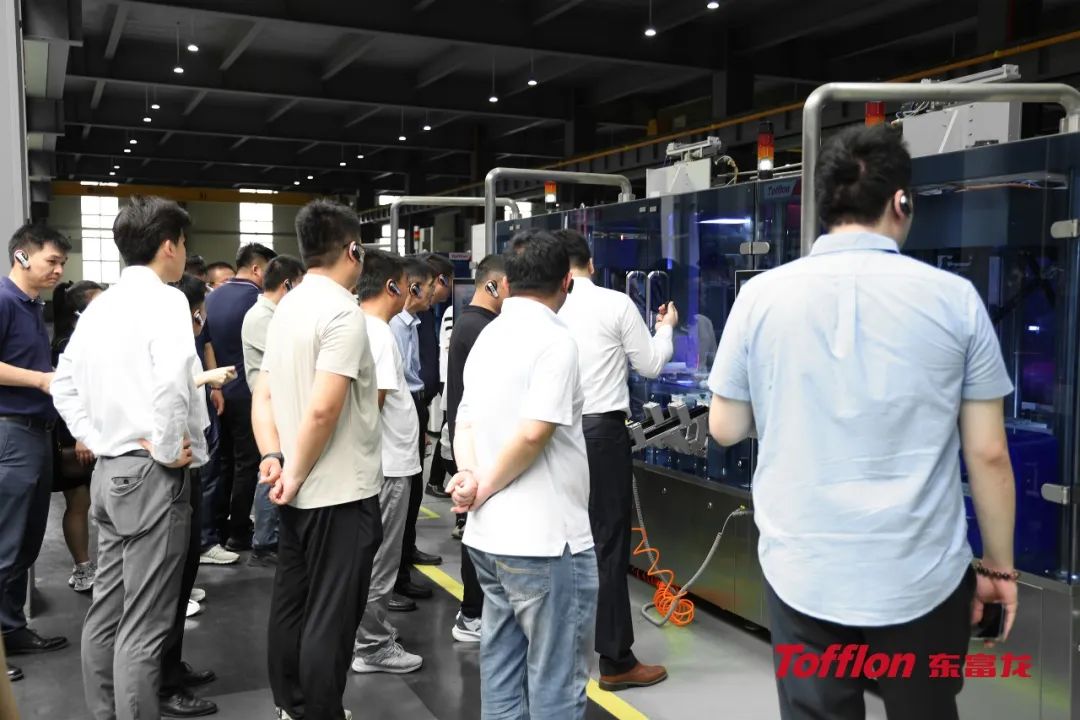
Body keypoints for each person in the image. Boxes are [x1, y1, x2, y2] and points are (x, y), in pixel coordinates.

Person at [707, 124, 1018, 720]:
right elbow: (988, 454)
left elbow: (724, 426)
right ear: (902, 201)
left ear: (824, 205)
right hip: (923, 574)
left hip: (804, 571)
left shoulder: (761, 296)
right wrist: (998, 567)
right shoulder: (955, 299)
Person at [52, 195, 209, 720]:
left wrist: (94, 435)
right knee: (145, 623)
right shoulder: (166, 301)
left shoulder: (101, 306)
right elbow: (172, 383)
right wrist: (166, 448)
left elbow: (62, 383)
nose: (183, 250)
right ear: (169, 245)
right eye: (183, 241)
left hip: (109, 472)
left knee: (107, 613)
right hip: (149, 477)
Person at [448, 231, 597, 719]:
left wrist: (470, 478)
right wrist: (483, 486)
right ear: (566, 282)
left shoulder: (488, 336)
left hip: (488, 540)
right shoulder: (556, 341)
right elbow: (535, 433)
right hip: (545, 542)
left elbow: (464, 421)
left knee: (502, 671)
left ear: (507, 283)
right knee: (557, 681)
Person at [252, 199, 382, 720]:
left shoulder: (287, 306)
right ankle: (322, 711)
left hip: (294, 487)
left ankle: (292, 705)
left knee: (293, 602)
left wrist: (274, 456)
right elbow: (325, 408)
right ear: (353, 250)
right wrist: (297, 471)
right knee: (332, 614)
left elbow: (264, 395)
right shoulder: (343, 312)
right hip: (339, 492)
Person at [556, 228, 675, 692]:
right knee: (607, 543)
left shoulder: (547, 309)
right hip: (602, 435)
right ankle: (616, 660)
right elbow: (651, 365)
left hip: (554, 432)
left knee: (562, 539)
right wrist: (665, 328)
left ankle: (556, 648)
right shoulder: (615, 304)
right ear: (590, 263)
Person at [156, 273, 233, 719]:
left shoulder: (182, 335)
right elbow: (161, 395)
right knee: (167, 584)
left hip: (190, 462)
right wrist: (165, 449)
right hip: (169, 469)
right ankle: (163, 684)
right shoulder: (159, 332)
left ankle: (172, 667)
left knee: (184, 573)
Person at [0, 224, 71, 680]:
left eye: (62, 263)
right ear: (22, 257)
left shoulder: (31, 306)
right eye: (51, 261)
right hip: (11, 431)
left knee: (25, 541)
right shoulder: (5, 301)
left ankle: (11, 629)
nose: (59, 270)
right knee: (5, 543)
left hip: (36, 432)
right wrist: (41, 379)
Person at [352, 249, 424, 674]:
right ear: (392, 286)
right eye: (408, 286)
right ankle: (373, 646)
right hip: (389, 466)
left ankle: (369, 634)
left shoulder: (361, 327)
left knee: (374, 557)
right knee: (381, 560)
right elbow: (371, 408)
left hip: (384, 463)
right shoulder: (378, 334)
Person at [443, 254, 508, 643]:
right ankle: (472, 614)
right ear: (494, 285)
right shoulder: (480, 328)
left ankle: (476, 611)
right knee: (479, 532)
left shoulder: (472, 324)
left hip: (471, 439)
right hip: (478, 443)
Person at [202, 242, 277, 560]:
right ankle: (239, 531)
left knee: (224, 463)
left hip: (219, 390)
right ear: (257, 268)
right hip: (249, 393)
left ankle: (218, 528)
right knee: (250, 464)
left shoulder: (211, 297)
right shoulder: (258, 302)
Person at [240, 255, 306, 567]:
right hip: (271, 405)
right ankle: (265, 542)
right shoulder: (262, 318)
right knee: (272, 468)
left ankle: (271, 537)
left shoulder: (274, 315)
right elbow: (289, 356)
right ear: (288, 284)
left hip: (280, 403)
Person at [50, 280, 106, 594]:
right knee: (78, 501)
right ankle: (83, 568)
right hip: (75, 435)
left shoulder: (95, 339)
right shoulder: (66, 344)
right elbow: (67, 395)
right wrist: (79, 436)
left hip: (96, 433)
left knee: (94, 501)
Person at [389, 258, 438, 603]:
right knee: (398, 500)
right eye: (431, 286)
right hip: (401, 409)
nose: (435, 292)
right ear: (414, 288)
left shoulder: (412, 324)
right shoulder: (392, 326)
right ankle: (392, 580)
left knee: (413, 494)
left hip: (414, 408)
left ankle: (404, 565)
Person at [422, 252, 455, 501]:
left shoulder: (427, 312)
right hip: (441, 384)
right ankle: (435, 480)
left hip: (424, 400)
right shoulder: (417, 316)